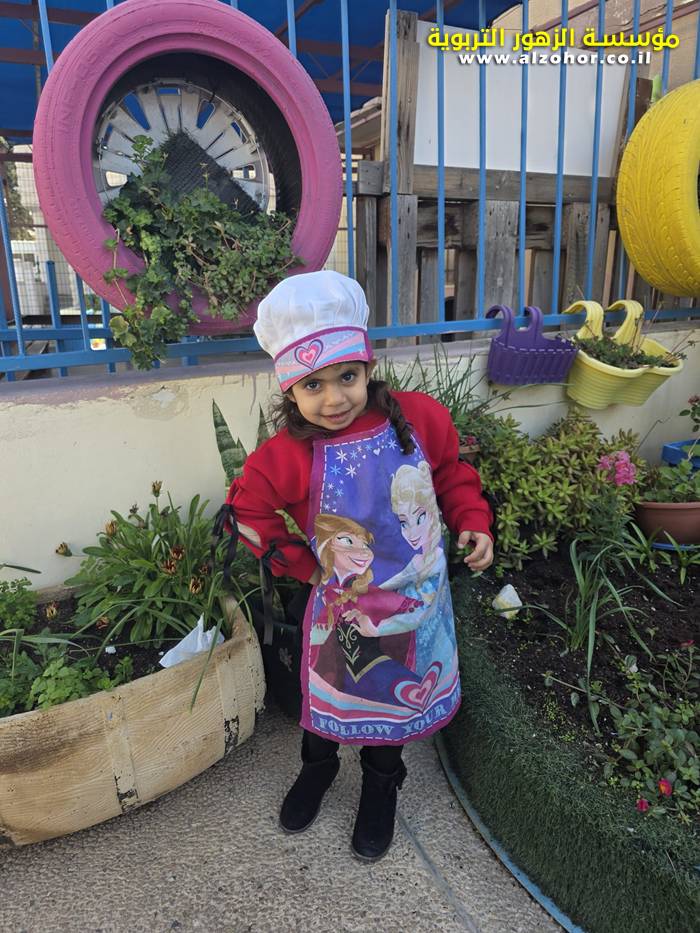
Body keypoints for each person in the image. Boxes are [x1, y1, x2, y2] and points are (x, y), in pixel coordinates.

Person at [221, 270, 493, 861]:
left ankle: (381, 783)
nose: (334, 399)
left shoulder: (421, 419)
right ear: (289, 390)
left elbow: (451, 474)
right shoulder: (285, 457)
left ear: (369, 367)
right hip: (341, 612)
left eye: (347, 377)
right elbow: (247, 513)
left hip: (415, 606)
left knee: (391, 701)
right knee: (331, 699)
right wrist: (307, 569)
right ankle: (317, 768)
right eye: (312, 384)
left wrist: (472, 518)